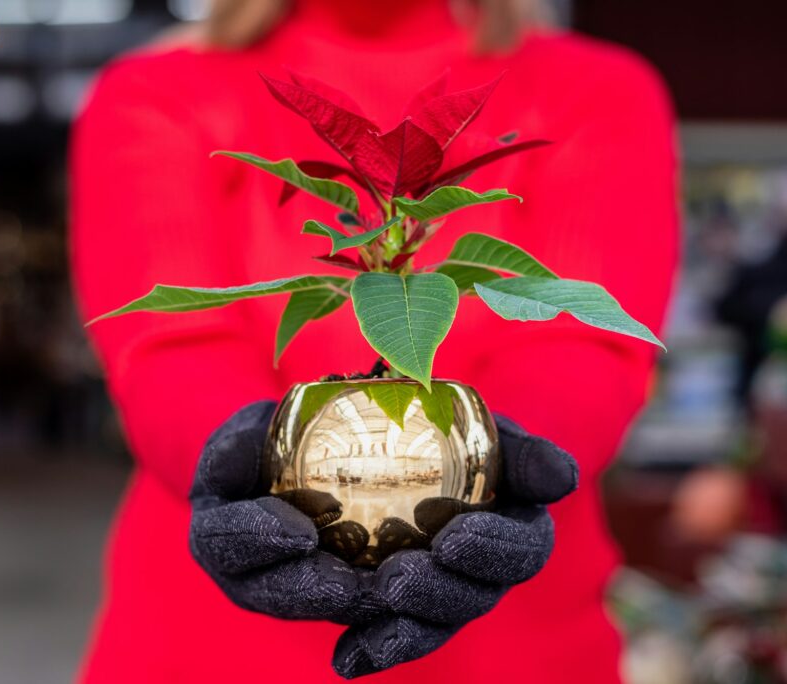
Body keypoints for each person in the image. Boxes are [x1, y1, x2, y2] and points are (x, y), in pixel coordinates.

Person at [70, 0, 678, 680]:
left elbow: (581, 343)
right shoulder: (159, 88)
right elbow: (171, 345)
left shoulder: (594, 91)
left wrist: (496, 476)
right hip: (208, 646)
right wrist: (242, 469)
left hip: (515, 647)